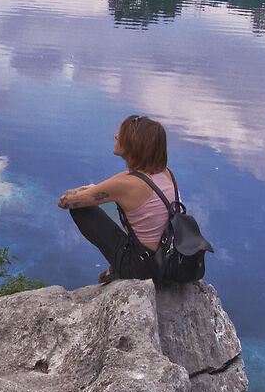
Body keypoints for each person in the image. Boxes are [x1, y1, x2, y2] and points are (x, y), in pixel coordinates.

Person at [58, 113, 180, 284]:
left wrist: (90, 190)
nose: (116, 136)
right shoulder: (167, 174)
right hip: (169, 258)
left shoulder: (128, 184)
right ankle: (118, 267)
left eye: (121, 134)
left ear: (134, 145)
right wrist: (99, 191)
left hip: (144, 268)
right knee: (125, 210)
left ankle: (123, 268)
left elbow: (64, 201)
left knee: (81, 210)